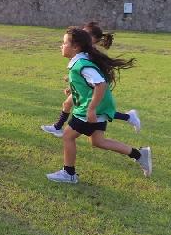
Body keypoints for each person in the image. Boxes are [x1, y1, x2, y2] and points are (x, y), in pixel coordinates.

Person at [47, 27, 151, 183]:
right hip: (98, 109)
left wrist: (91, 109)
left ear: (76, 47)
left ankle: (69, 174)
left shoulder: (82, 64)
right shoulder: (81, 61)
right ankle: (139, 155)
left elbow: (101, 84)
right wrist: (73, 88)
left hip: (89, 111)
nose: (61, 46)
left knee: (68, 136)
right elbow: (89, 83)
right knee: (98, 141)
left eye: (64, 43)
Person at [41, 21, 141, 137]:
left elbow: (90, 73)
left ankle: (129, 117)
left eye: (86, 34)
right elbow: (80, 73)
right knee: (69, 104)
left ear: (93, 39)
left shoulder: (91, 54)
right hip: (87, 87)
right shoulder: (84, 52)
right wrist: (71, 85)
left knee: (99, 112)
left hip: (93, 89)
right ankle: (58, 127)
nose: (82, 36)